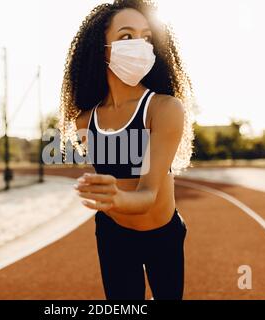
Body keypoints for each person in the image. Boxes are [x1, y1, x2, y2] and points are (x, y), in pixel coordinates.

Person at [58, 0, 194, 300]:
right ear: (100, 49)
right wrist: (106, 195)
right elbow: (111, 180)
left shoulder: (164, 109)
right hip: (113, 234)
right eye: (126, 36)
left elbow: (147, 196)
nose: (140, 46)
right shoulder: (85, 120)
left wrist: (116, 196)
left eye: (147, 37)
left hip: (163, 235)